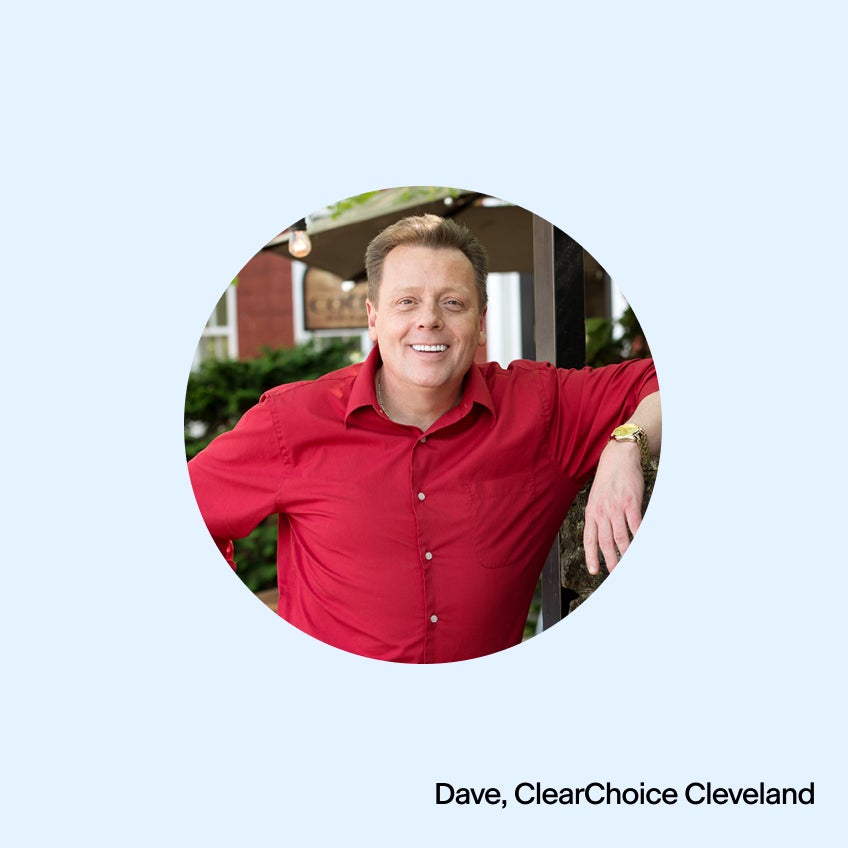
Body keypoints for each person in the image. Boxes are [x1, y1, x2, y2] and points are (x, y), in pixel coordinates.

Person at [188, 214, 661, 663]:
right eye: (406, 301)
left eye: (452, 302)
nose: (429, 320)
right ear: (374, 317)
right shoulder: (291, 421)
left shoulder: (541, 409)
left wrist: (627, 442)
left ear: (480, 322)